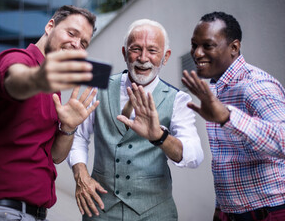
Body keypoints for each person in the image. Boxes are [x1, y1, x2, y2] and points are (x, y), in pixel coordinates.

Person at [0, 5, 100, 221]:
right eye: (71, 33)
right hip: (0, 211)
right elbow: (15, 80)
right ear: (50, 26)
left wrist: (68, 128)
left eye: (84, 43)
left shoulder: (53, 88)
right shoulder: (16, 60)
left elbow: (55, 156)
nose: (76, 44)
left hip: (31, 213)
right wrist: (37, 79)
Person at [67, 19, 204, 220]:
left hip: (156, 212)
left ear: (165, 57)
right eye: (136, 49)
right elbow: (78, 137)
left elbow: (195, 156)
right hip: (100, 209)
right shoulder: (98, 82)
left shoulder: (179, 99)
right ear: (124, 53)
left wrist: (160, 136)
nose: (142, 58)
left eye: (152, 51)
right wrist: (81, 174)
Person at [181, 11, 285, 221]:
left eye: (207, 46)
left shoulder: (256, 85)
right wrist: (222, 209)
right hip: (230, 213)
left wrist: (228, 118)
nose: (197, 53)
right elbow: (228, 160)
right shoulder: (216, 88)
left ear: (234, 48)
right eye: (194, 45)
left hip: (268, 212)